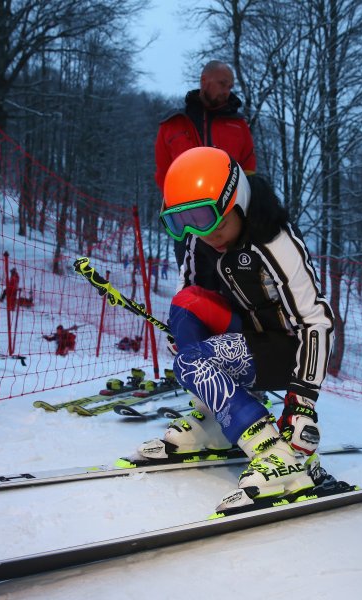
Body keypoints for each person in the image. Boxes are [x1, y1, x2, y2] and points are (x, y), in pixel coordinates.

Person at [138, 146, 335, 512]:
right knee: (185, 314)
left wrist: (301, 402)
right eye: (187, 222)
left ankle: (275, 452)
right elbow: (192, 296)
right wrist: (183, 336)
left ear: (239, 202)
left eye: (214, 220)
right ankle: (217, 421)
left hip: (287, 348)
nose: (205, 232)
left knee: (193, 362)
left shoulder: (274, 241)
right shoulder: (203, 235)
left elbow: (317, 321)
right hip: (246, 335)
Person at [154, 60, 257, 267]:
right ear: (204, 80)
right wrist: (183, 209)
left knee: (232, 287)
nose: (226, 91)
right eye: (222, 84)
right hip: (188, 223)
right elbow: (163, 174)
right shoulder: (173, 124)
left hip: (228, 223)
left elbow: (248, 172)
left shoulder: (238, 126)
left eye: (229, 86)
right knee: (192, 287)